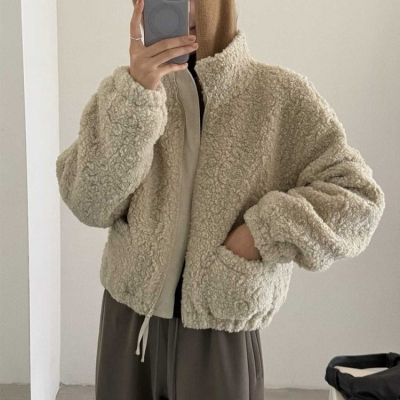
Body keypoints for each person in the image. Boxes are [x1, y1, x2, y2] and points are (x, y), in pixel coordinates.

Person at [55, 0, 385, 398]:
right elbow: (87, 202)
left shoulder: (279, 95)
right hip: (128, 324)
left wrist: (260, 233)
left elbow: (358, 199)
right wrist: (136, 98)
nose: (174, 8)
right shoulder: (126, 96)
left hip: (219, 330)